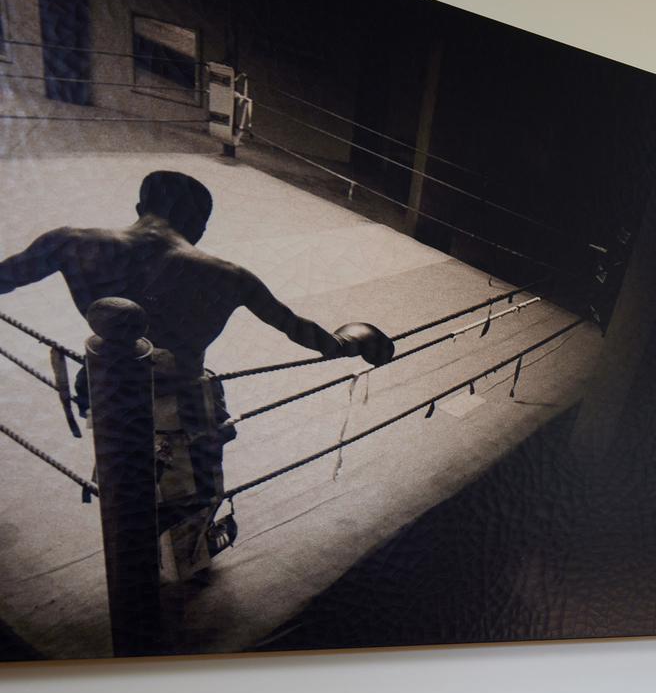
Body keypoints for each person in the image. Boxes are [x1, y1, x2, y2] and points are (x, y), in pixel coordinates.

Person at [0, 170, 394, 577]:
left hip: (109, 394)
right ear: (201, 226)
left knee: (128, 487)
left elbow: (4, 278)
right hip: (184, 404)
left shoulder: (69, 242)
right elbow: (314, 338)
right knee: (196, 494)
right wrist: (356, 338)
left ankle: (139, 571)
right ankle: (171, 572)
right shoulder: (231, 276)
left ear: (141, 207)